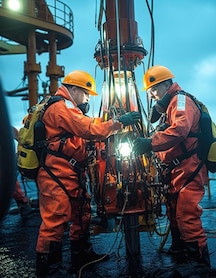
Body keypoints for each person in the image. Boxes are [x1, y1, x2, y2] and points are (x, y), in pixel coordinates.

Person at [34, 70, 141, 276]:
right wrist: (120, 122)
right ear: (74, 89)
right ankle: (49, 269)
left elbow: (85, 128)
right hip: (55, 174)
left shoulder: (67, 108)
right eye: (84, 94)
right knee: (55, 219)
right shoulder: (61, 107)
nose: (86, 99)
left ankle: (81, 254)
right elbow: (90, 130)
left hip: (70, 172)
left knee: (82, 213)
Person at [133, 65, 211, 268]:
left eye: (153, 90)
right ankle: (181, 251)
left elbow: (180, 130)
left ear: (166, 84)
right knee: (174, 211)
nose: (151, 96)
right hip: (177, 170)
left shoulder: (180, 101)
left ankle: (198, 264)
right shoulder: (171, 105)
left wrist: (150, 143)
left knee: (187, 214)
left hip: (189, 168)